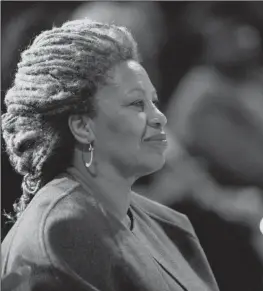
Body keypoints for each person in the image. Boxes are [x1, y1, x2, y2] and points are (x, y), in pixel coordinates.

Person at [1, 19, 220, 291]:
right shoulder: (62, 231)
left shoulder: (169, 225)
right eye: (137, 103)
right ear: (83, 126)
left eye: (155, 102)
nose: (159, 117)